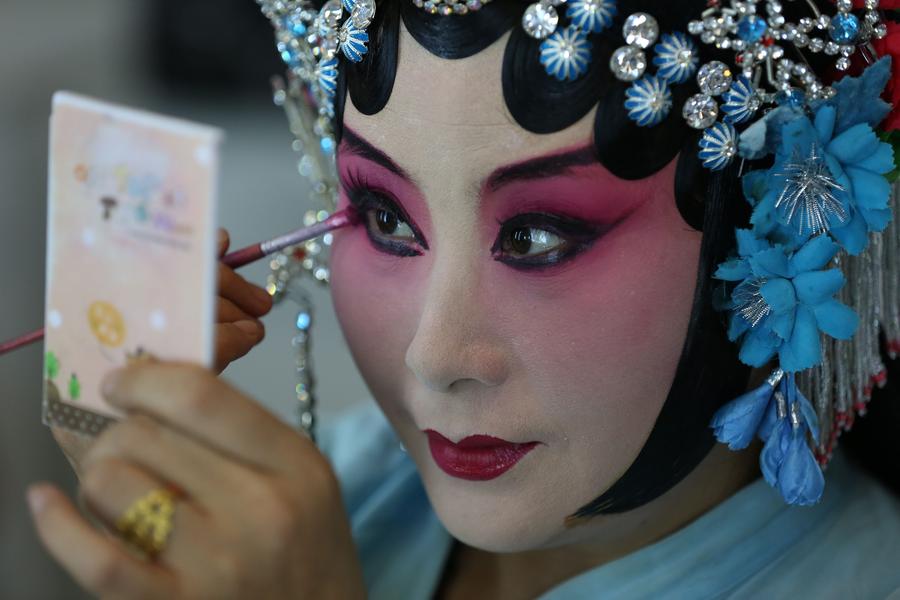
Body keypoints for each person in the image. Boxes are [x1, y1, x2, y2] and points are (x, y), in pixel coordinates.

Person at [27, 0, 900, 598]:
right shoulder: (344, 488)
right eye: (383, 217)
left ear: (790, 221)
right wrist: (133, 468)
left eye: (537, 237)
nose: (433, 357)